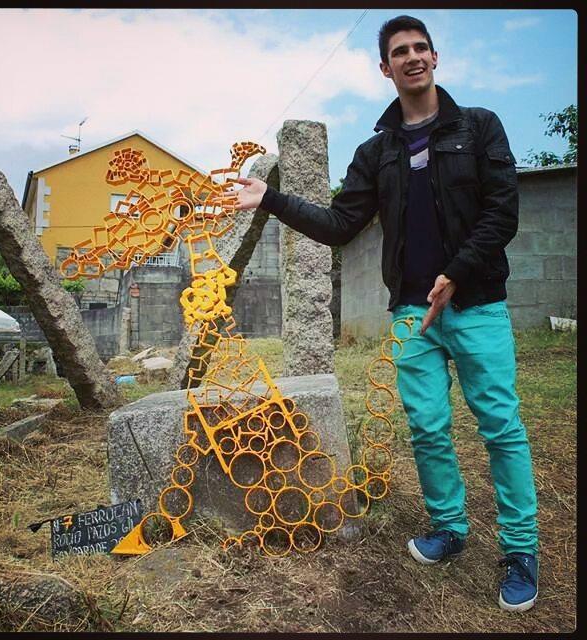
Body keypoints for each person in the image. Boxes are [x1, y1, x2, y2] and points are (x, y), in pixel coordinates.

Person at [225, 15, 539, 613]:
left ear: (436, 58)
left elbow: (504, 212)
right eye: (401, 51)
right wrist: (270, 198)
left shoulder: (479, 128)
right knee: (426, 427)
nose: (413, 57)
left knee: (500, 427)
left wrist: (458, 272)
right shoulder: (376, 152)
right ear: (385, 68)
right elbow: (341, 225)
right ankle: (449, 529)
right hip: (411, 313)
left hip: (475, 304)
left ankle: (521, 550)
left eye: (422, 47)